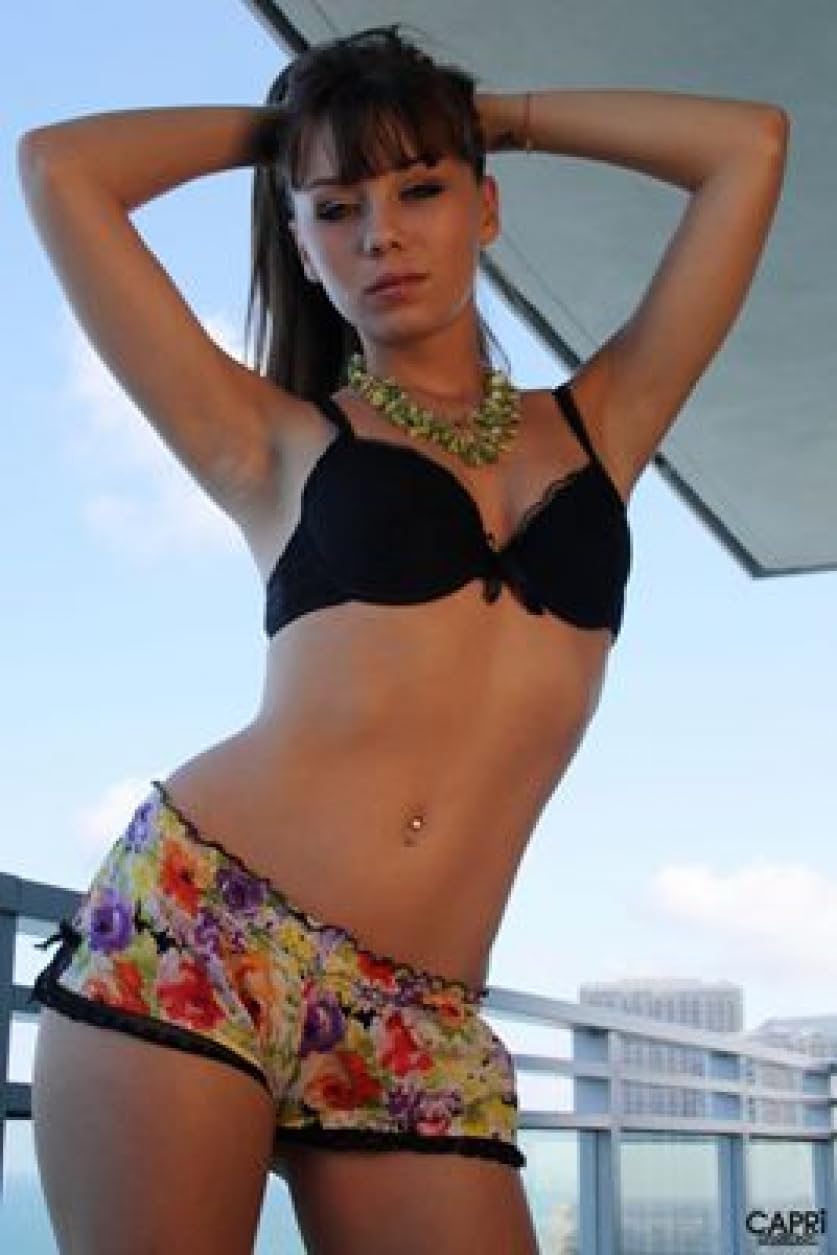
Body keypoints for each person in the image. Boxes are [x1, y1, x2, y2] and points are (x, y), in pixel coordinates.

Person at [19, 22, 788, 1255]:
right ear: (303, 244)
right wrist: (290, 137)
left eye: (421, 189)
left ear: (485, 207)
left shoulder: (603, 422)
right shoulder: (271, 442)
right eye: (338, 210)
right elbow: (60, 166)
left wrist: (495, 118)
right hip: (202, 936)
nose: (381, 234)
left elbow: (749, 147)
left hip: (417, 1018)